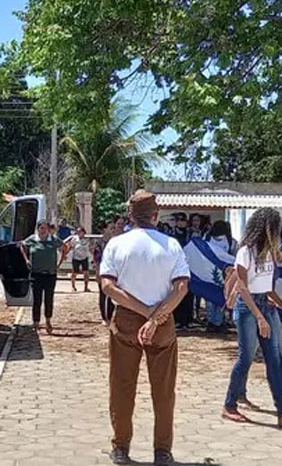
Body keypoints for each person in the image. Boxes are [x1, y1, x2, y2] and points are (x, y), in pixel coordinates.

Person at [99, 190, 190, 466]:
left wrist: (144, 313)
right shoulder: (172, 245)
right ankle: (162, 450)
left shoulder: (117, 244)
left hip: (126, 319)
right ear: (156, 215)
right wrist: (155, 317)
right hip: (162, 323)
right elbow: (181, 287)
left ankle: (120, 447)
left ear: (130, 215)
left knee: (122, 387)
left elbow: (108, 287)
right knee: (163, 391)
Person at [222, 208, 282, 428]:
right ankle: (230, 404)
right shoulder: (245, 252)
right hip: (248, 308)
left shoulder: (269, 252)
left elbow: (266, 286)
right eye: (275, 228)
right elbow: (243, 287)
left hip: (265, 306)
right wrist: (260, 317)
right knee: (246, 357)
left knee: (275, 359)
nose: (278, 233)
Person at [19, 221, 64, 334]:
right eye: (41, 228)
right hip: (36, 274)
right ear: (38, 229)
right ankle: (36, 322)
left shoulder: (53, 240)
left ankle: (48, 320)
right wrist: (26, 260)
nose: (43, 231)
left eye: (45, 228)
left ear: (48, 229)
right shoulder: (33, 239)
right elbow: (22, 245)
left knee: (49, 298)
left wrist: (60, 262)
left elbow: (65, 247)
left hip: (50, 274)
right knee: (37, 299)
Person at [94, 220, 117, 324]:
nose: (113, 230)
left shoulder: (116, 242)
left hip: (114, 271)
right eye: (111, 228)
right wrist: (98, 272)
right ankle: (104, 317)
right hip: (103, 271)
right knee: (103, 294)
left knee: (113, 294)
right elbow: (97, 259)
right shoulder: (99, 243)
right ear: (105, 229)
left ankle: (110, 315)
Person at [63, 226, 92, 292]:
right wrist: (65, 255)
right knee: (74, 273)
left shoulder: (87, 239)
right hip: (76, 257)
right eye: (78, 231)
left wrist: (93, 257)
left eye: (80, 231)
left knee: (86, 273)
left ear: (83, 232)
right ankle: (73, 286)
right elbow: (70, 247)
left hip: (84, 257)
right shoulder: (74, 239)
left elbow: (90, 248)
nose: (78, 233)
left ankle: (86, 287)